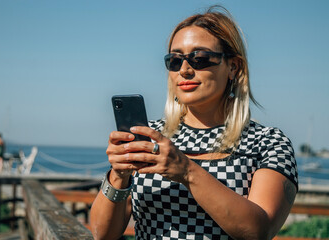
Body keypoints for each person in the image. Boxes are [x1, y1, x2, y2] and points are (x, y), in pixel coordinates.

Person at [90, 5, 298, 240]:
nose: (185, 70)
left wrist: (187, 171)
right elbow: (101, 234)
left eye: (200, 59)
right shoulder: (151, 136)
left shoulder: (268, 143)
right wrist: (118, 176)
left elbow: (259, 231)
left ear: (233, 67)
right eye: (175, 60)